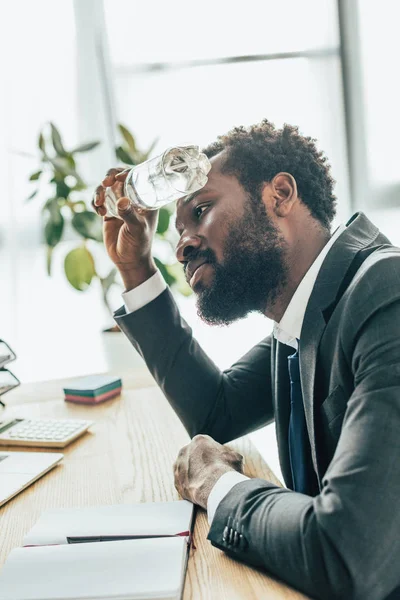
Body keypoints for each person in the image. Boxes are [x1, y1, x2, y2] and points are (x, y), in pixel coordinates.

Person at [93, 120, 400, 600]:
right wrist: (136, 268)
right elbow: (216, 410)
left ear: (280, 194)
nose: (183, 244)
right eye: (179, 231)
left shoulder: (386, 297)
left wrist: (217, 484)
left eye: (201, 210)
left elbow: (349, 553)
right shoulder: (304, 317)